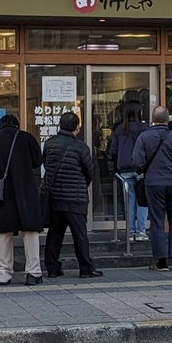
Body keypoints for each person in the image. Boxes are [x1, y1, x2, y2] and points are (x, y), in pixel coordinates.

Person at [0, 114, 44, 286]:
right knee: (30, 232)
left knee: (3, 233)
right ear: (17, 125)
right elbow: (38, 161)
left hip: (3, 193)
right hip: (26, 190)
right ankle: (33, 272)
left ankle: (3, 273)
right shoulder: (26, 137)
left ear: (0, 126)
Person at [132, 106, 172, 272]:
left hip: (153, 183)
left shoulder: (144, 137)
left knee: (157, 221)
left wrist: (145, 169)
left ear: (153, 119)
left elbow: (137, 162)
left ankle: (161, 262)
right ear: (168, 119)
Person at [42, 111, 102, 279]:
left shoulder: (49, 144)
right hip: (76, 198)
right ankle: (85, 268)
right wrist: (81, 185)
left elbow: (47, 166)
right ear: (77, 128)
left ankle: (52, 268)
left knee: (54, 234)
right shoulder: (81, 147)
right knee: (80, 234)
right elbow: (89, 171)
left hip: (55, 196)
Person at [106, 100, 149, 241]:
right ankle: (141, 232)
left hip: (124, 169)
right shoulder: (144, 128)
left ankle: (131, 232)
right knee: (142, 201)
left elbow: (113, 150)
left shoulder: (119, 129)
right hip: (141, 169)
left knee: (129, 202)